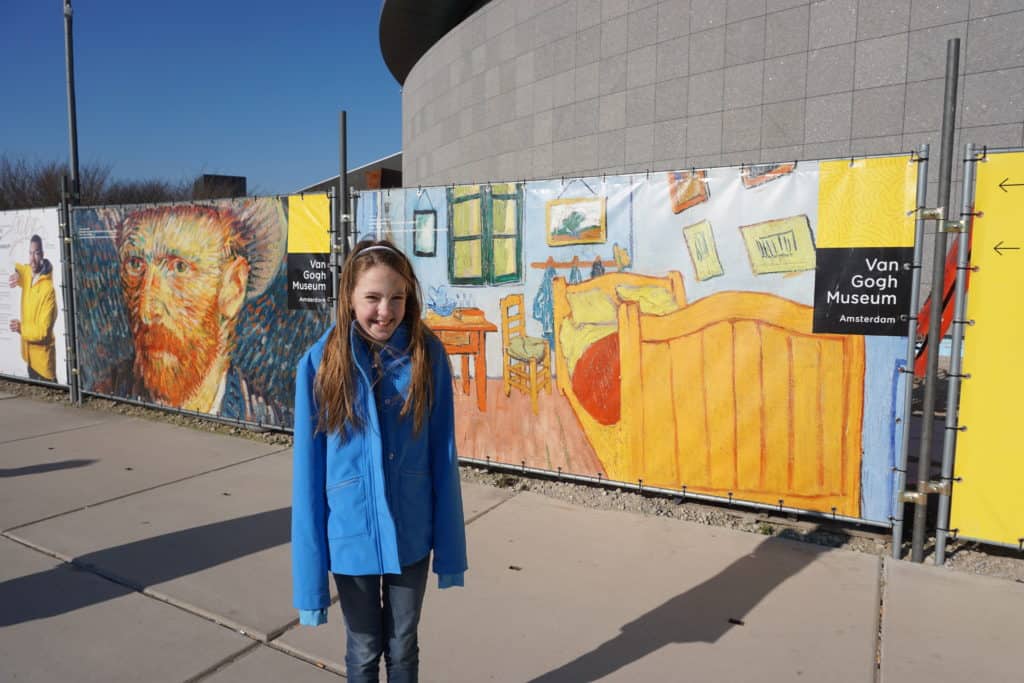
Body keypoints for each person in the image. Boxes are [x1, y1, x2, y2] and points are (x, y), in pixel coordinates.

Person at [291, 239, 467, 683]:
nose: (385, 311)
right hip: (351, 538)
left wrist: (450, 551)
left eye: (397, 298)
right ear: (349, 296)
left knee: (404, 646)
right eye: (372, 297)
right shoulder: (319, 365)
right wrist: (310, 585)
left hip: (411, 534)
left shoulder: (428, 357)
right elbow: (307, 483)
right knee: (365, 648)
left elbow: (443, 457)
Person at [98, 199, 286, 424]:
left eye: (179, 267)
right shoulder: (106, 391)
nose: (147, 310)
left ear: (233, 287)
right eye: (135, 265)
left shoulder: (269, 418)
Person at [8, 234, 58, 381]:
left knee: (47, 394)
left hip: (43, 367)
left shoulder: (48, 290)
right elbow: (22, 268)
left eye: (36, 253)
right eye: (30, 253)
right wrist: (18, 274)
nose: (32, 258)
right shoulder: (29, 274)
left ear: (42, 255)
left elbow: (43, 332)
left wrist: (21, 328)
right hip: (29, 358)